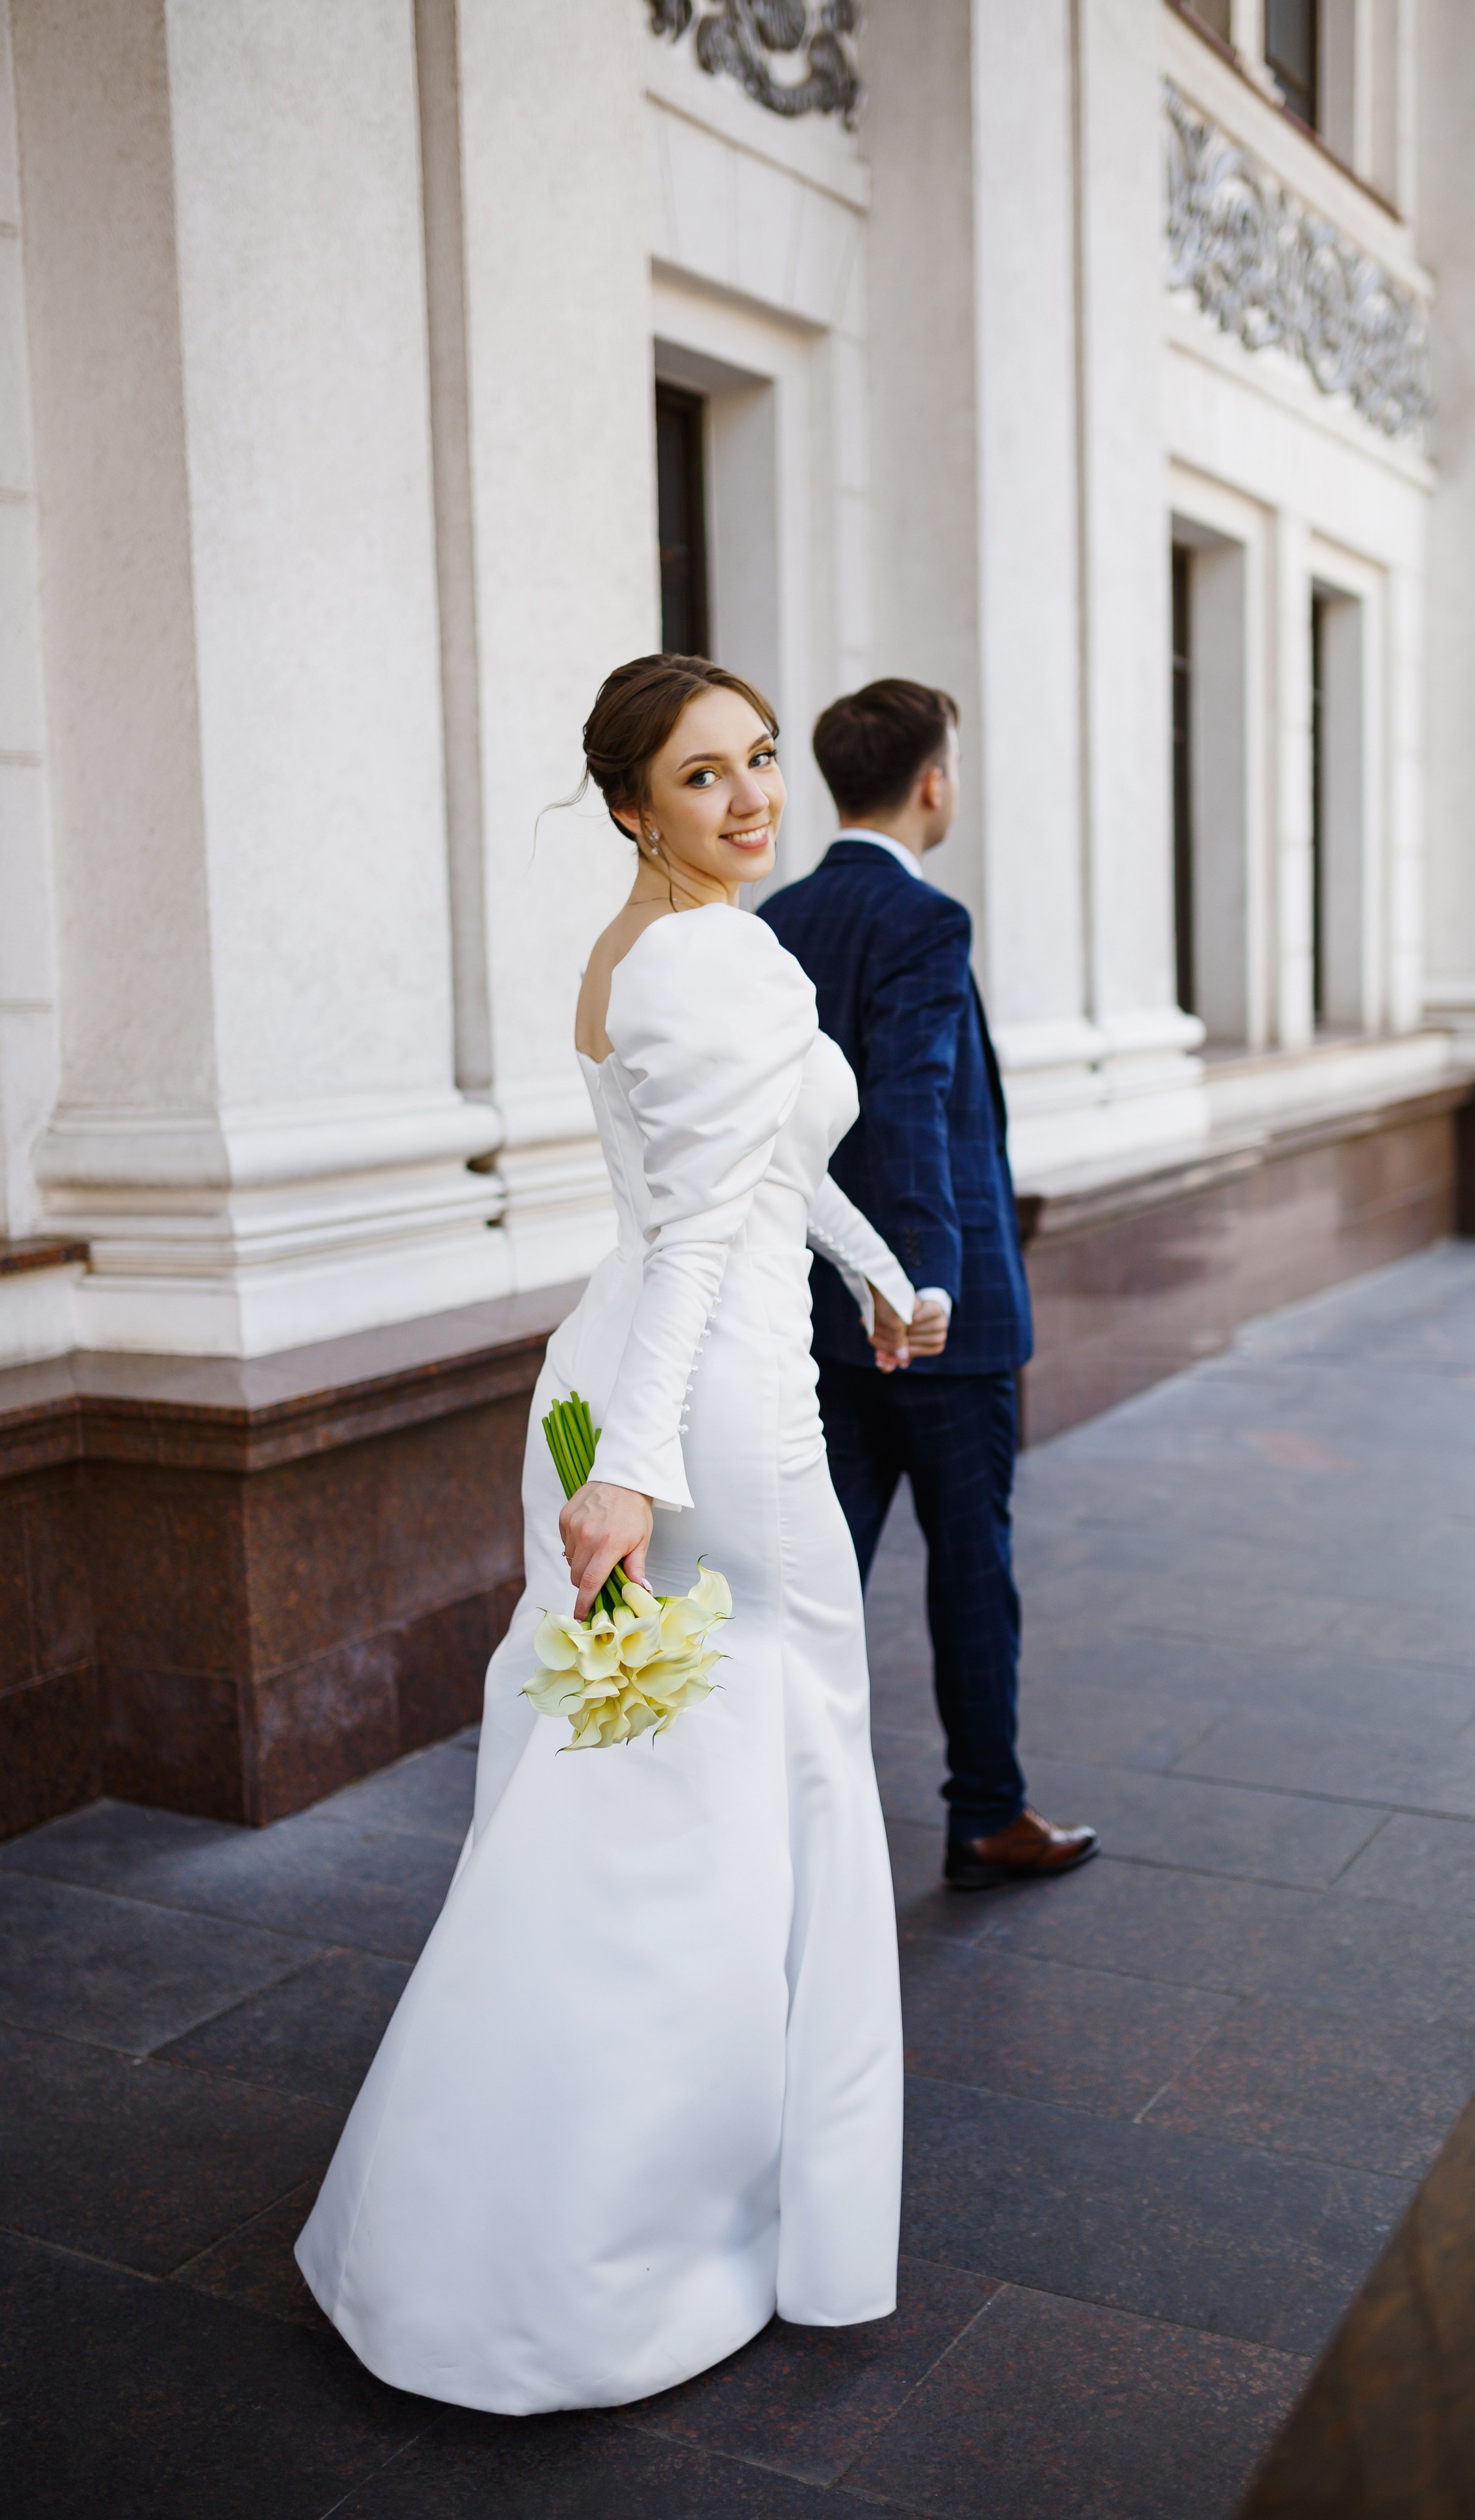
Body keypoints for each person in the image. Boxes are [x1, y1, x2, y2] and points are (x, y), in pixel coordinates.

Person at [296, 656, 910, 2414]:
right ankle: (670, 2217)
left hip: (623, 1366)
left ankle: (512, 2199)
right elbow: (714, 1229)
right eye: (704, 777)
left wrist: (875, 1278)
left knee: (633, 1766)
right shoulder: (713, 953)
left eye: (764, 763)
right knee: (771, 1767)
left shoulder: (639, 945)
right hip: (706, 1401)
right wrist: (638, 1470)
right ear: (632, 803)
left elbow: (744, 1186)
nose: (750, 800)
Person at [760, 679, 1097, 1891]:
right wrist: (920, 1286)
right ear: (933, 781)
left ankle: (780, 1818)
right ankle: (986, 1815)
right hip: (935, 1323)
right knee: (970, 1571)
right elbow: (912, 1105)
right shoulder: (927, 921)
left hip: (817, 1315)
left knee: (818, 1579)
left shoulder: (778, 918)